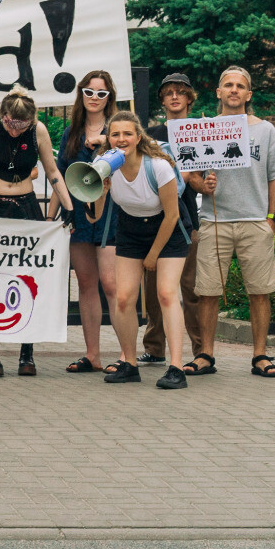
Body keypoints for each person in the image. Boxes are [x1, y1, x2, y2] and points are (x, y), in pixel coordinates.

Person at [0, 88, 73, 378]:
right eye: (10, 123)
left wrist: (67, 205)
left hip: (25, 206)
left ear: (31, 120)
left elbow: (52, 170)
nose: (15, 130)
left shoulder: (38, 130)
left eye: (22, 125)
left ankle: (26, 354)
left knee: (27, 277)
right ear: (2, 115)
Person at [190, 66, 275, 379]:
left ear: (249, 95)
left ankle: (260, 355)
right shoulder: (204, 128)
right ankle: (206, 354)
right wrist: (201, 186)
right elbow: (191, 175)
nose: (234, 90)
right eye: (228, 85)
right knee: (207, 292)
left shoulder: (266, 131)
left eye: (240, 86)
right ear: (219, 93)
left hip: (254, 222)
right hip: (215, 221)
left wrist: (271, 219)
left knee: (259, 292)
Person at [88, 111, 191, 389]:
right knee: (123, 298)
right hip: (130, 229)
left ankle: (176, 367)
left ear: (138, 137)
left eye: (127, 134)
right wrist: (101, 190)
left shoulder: (157, 166)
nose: (121, 139)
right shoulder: (103, 165)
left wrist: (153, 256)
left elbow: (171, 216)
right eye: (115, 134)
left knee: (167, 294)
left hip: (167, 230)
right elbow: (94, 217)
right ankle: (130, 364)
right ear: (108, 138)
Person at [142, 73, 210, 367]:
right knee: (153, 287)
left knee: (190, 287)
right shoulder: (150, 135)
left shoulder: (199, 132)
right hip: (153, 218)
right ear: (163, 99)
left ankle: (198, 351)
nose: (174, 97)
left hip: (187, 220)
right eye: (169, 92)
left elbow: (199, 183)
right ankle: (155, 347)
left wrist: (196, 180)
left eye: (180, 92)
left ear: (189, 99)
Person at [54, 70, 119, 374]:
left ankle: (125, 354)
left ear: (110, 97)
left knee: (112, 284)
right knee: (86, 283)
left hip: (111, 214)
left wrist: (108, 140)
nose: (94, 98)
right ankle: (92, 354)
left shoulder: (119, 128)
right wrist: (51, 216)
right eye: (89, 92)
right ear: (80, 94)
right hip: (79, 213)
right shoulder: (71, 132)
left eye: (101, 93)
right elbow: (60, 176)